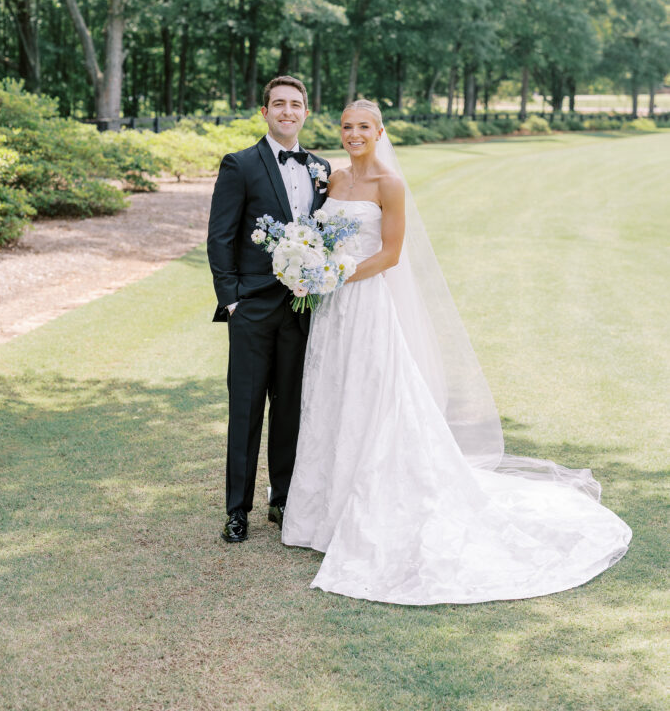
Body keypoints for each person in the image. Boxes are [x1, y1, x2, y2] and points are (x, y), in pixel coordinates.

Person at [282, 99, 631, 604]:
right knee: (331, 392)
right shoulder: (333, 181)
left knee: (373, 394)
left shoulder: (390, 185)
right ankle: (320, 515)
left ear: (380, 132)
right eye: (346, 126)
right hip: (331, 311)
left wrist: (334, 273)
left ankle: (376, 504)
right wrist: (310, 266)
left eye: (363, 127)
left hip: (364, 302)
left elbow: (390, 253)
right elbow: (318, 235)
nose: (353, 134)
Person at [207, 76, 331, 543]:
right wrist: (232, 300)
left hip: (302, 310)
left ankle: (283, 501)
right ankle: (237, 511)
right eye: (278, 104)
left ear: (305, 112)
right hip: (253, 308)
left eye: (295, 104)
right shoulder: (239, 165)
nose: (287, 111)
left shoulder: (321, 168)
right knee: (246, 410)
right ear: (264, 112)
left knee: (291, 410)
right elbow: (220, 237)